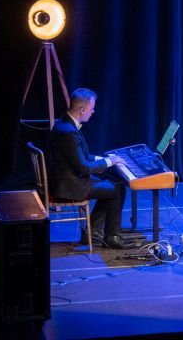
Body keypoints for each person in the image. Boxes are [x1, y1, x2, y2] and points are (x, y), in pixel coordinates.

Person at [49, 88, 133, 249]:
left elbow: (81, 156)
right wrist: (109, 162)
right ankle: (112, 236)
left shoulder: (64, 123)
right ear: (82, 110)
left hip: (68, 178)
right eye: (91, 108)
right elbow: (83, 168)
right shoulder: (68, 132)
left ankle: (93, 231)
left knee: (111, 183)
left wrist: (105, 160)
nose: (93, 112)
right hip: (70, 185)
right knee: (117, 188)